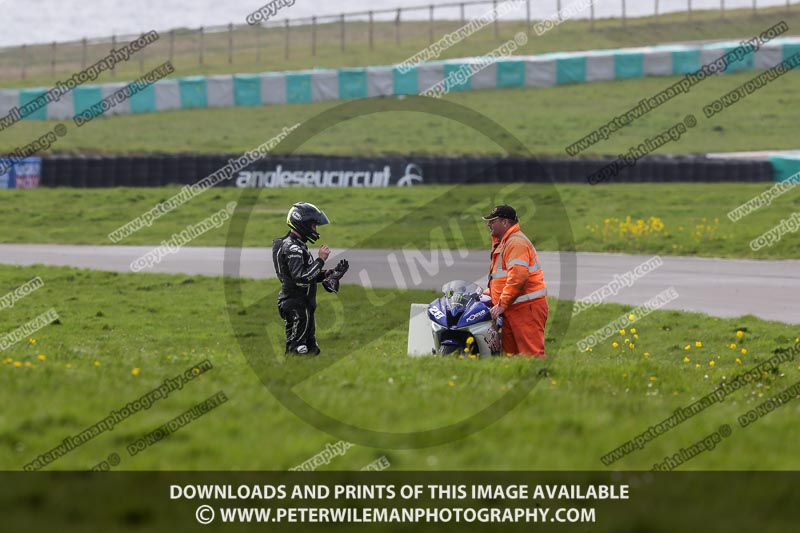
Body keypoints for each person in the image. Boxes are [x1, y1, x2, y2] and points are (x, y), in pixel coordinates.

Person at [272, 202, 348, 356]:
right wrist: (320, 260)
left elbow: (305, 275)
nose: (315, 230)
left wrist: (327, 273)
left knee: (312, 350)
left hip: (303, 305)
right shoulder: (292, 248)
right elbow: (301, 279)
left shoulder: (298, 245)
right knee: (297, 350)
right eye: (314, 226)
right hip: (296, 305)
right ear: (303, 223)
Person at [482, 204, 548, 358]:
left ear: (505, 222)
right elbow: (502, 279)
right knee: (511, 357)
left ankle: (542, 380)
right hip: (512, 309)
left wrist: (502, 304)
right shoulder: (505, 242)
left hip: (525, 309)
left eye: (493, 221)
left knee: (532, 355)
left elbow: (518, 278)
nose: (488, 224)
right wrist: (487, 293)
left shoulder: (515, 242)